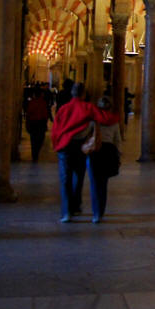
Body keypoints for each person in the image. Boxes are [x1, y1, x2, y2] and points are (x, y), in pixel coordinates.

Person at [51, 82, 95, 222]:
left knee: (65, 179)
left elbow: (55, 129)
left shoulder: (63, 109)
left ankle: (66, 212)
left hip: (65, 147)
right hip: (80, 146)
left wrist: (56, 144)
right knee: (79, 176)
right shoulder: (88, 108)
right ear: (84, 94)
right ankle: (76, 206)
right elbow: (93, 125)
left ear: (72, 93)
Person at [86, 96, 122, 224]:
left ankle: (95, 214)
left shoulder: (93, 120)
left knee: (94, 183)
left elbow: (87, 135)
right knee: (103, 183)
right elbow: (117, 140)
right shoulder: (115, 121)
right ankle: (101, 211)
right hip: (109, 151)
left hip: (96, 151)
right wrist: (118, 155)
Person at [24, 86, 52, 162]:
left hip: (34, 123)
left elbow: (28, 114)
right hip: (40, 123)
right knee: (40, 139)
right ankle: (35, 154)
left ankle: (34, 154)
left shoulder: (32, 102)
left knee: (34, 140)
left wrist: (27, 124)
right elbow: (45, 114)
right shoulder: (43, 102)